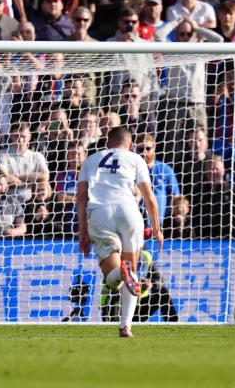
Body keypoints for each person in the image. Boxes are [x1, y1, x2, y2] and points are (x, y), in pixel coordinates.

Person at [77, 126, 163, 337]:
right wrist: (157, 228)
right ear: (131, 145)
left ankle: (122, 271)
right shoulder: (136, 159)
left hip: (100, 212)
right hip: (130, 211)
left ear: (107, 143)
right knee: (131, 272)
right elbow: (150, 198)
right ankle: (126, 326)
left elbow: (81, 198)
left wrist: (82, 231)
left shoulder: (91, 159)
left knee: (112, 276)